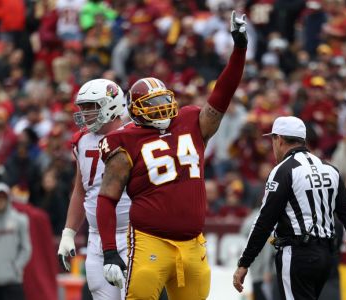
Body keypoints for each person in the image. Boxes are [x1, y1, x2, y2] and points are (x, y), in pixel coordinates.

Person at [95, 10, 247, 300]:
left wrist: (239, 50)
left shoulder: (191, 121)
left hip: (193, 244)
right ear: (136, 110)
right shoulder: (123, 140)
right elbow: (107, 197)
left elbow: (222, 95)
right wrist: (109, 251)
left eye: (165, 100)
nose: (163, 107)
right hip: (150, 241)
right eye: (153, 104)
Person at [233, 116, 346, 300]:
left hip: (296, 254)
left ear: (279, 139)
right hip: (326, 257)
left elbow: (265, 221)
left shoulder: (283, 170)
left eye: (273, 139)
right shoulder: (329, 169)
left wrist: (245, 262)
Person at [57, 78, 131, 300]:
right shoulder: (82, 141)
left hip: (134, 235)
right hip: (96, 238)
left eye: (92, 106)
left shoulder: (135, 135)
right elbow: (81, 190)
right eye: (83, 107)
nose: (86, 113)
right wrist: (69, 232)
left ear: (112, 104)